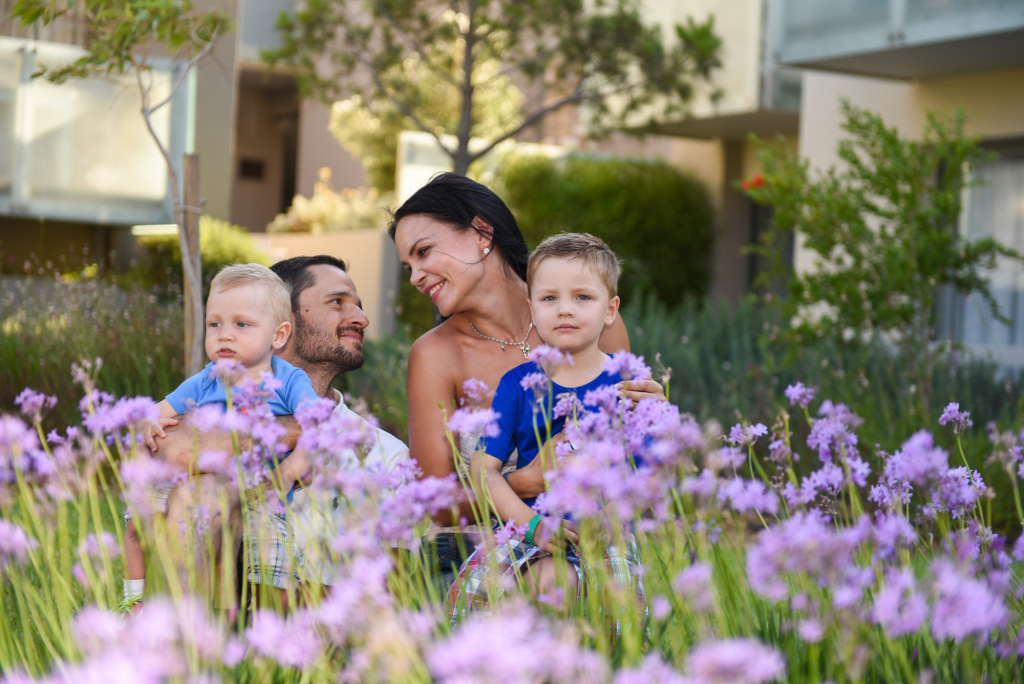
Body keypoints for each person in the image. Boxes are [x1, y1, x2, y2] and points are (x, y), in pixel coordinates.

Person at [388, 173, 662, 580]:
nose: (415, 277)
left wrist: (651, 410)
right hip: (475, 548)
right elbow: (437, 503)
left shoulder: (590, 320)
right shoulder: (434, 354)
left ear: (482, 231)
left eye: (424, 252)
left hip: (597, 537)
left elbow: (633, 456)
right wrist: (525, 480)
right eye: (409, 265)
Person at [448, 232, 649, 613]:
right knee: (473, 595)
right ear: (532, 309)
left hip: (605, 530)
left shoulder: (627, 385)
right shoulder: (518, 385)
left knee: (619, 615)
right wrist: (532, 524)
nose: (565, 310)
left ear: (611, 310)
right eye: (549, 298)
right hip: (529, 525)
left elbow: (650, 472)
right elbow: (484, 470)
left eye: (583, 297)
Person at [123, 263, 318, 610]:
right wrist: (147, 425)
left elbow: (316, 429)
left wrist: (288, 472)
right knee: (139, 515)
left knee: (272, 569)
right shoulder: (207, 378)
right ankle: (133, 601)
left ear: (279, 335)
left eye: (241, 324)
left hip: (260, 492)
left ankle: (259, 638)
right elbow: (156, 412)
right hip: (195, 480)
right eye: (215, 324)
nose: (224, 335)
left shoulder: (289, 381)